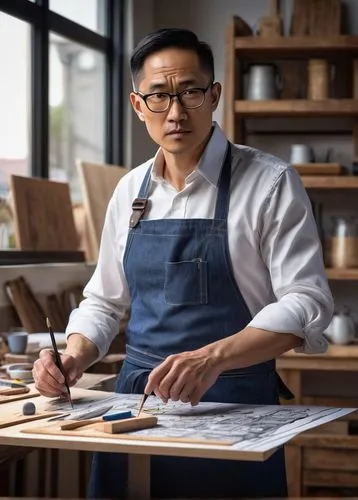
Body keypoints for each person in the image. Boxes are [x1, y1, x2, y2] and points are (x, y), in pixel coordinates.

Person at [33, 28, 334, 498]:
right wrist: (74, 354)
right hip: (136, 405)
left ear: (213, 96)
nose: (175, 112)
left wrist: (212, 357)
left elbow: (307, 302)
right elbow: (105, 302)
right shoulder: (129, 191)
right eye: (159, 96)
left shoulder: (271, 183)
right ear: (138, 106)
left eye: (190, 92)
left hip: (234, 405)